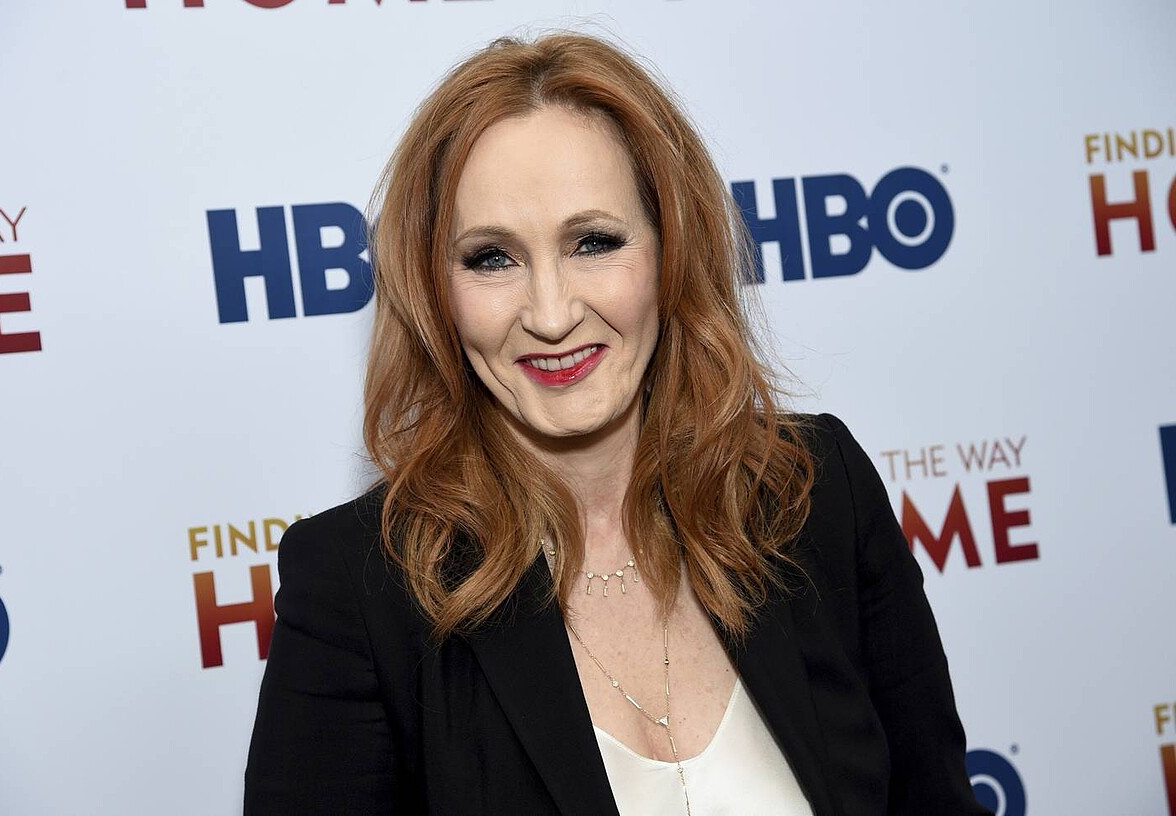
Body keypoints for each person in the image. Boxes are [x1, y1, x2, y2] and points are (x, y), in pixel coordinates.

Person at [244, 32, 989, 816]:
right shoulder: (358, 590)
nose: (551, 314)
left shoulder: (813, 492)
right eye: (492, 258)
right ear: (434, 291)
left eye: (593, 243)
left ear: (672, 251)